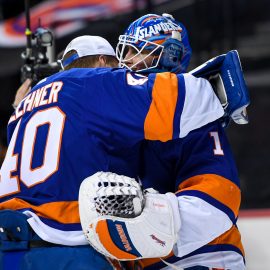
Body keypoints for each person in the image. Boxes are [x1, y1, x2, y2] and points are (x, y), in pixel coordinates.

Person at [0, 34, 224, 270]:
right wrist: (221, 88)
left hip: (8, 246)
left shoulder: (22, 106)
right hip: (66, 248)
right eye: (118, 63)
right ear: (102, 62)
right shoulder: (96, 81)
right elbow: (185, 97)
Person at [112, 13, 245, 270]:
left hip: (204, 255)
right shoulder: (128, 111)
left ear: (168, 55)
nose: (126, 61)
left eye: (136, 51)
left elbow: (219, 197)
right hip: (151, 260)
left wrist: (149, 225)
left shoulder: (192, 107)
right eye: (125, 51)